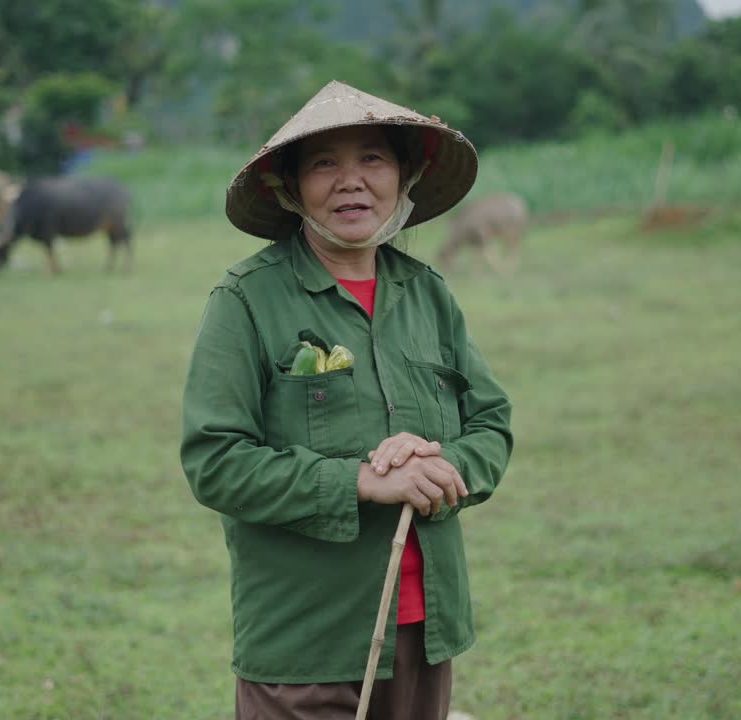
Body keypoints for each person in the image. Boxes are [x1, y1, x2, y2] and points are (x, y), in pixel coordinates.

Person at [180, 81, 513, 720]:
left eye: (372, 158)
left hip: (425, 630)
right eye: (324, 163)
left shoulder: (429, 294)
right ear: (288, 187)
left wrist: (439, 467)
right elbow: (215, 460)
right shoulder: (246, 299)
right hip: (306, 639)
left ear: (406, 176)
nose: (350, 181)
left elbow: (492, 425)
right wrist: (362, 480)